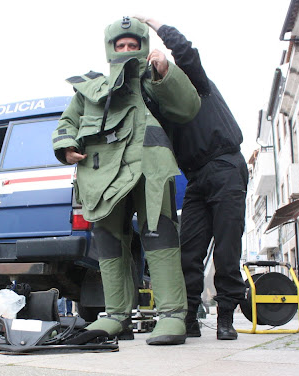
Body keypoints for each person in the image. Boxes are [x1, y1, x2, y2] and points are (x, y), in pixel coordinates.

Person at [52, 17, 201, 345]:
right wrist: (66, 145)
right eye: (121, 45)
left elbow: (188, 107)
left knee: (160, 236)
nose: (126, 50)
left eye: (133, 45)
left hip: (151, 168)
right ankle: (116, 315)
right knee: (107, 242)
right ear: (110, 48)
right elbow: (67, 122)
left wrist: (166, 72)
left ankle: (172, 314)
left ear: (143, 47)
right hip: (103, 174)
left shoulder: (153, 79)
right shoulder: (91, 89)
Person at [135, 17, 249, 340]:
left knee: (227, 248)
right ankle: (188, 318)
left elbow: (185, 52)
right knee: (189, 251)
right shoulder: (164, 111)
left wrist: (155, 25)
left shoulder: (195, 83)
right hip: (197, 179)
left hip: (226, 165)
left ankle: (225, 318)